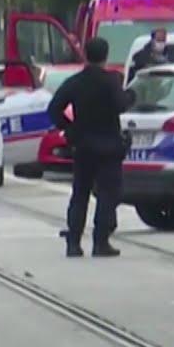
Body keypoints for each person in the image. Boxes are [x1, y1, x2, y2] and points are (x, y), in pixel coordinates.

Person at [47, 36, 136, 258]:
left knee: (80, 193)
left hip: (83, 145)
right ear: (105, 56)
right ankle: (101, 241)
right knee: (108, 194)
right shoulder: (111, 81)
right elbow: (120, 105)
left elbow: (54, 108)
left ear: (86, 55)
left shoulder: (76, 82)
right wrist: (131, 95)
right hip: (108, 146)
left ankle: (74, 242)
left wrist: (70, 129)